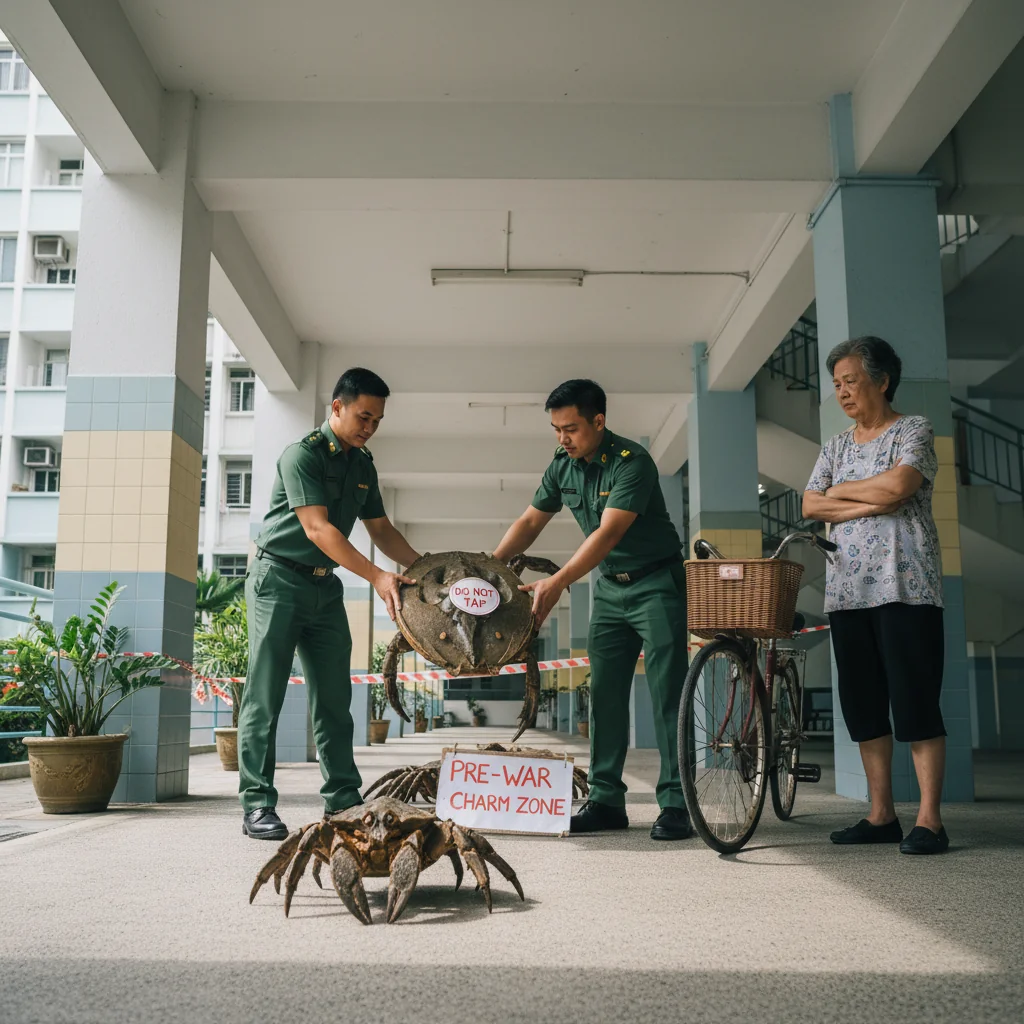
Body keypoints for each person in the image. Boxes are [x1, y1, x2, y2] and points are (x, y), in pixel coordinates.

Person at [492, 379, 692, 840]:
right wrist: (491, 568)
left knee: (667, 694)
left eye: (572, 428)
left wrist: (559, 581)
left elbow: (607, 534)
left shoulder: (632, 463)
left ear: (599, 421)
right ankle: (605, 801)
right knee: (603, 695)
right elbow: (529, 520)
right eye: (556, 428)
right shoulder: (562, 465)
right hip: (610, 590)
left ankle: (677, 803)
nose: (562, 438)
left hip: (657, 583)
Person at [238, 367, 421, 840]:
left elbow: (381, 529)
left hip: (325, 588)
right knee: (266, 695)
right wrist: (378, 575)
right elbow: (319, 530)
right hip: (277, 579)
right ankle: (257, 803)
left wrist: (425, 570)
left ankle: (343, 799)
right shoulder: (301, 456)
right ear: (336, 407)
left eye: (377, 421)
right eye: (363, 416)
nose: (369, 427)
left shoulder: (363, 465)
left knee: (335, 701)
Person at [803, 336, 950, 855]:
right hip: (847, 591)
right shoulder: (836, 446)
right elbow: (810, 503)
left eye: (851, 381)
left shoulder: (913, 429)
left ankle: (930, 819)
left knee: (915, 701)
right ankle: (881, 814)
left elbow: (901, 486)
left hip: (905, 586)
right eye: (837, 383)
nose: (842, 392)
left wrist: (845, 492)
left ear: (882, 380)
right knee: (863, 705)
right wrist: (870, 498)